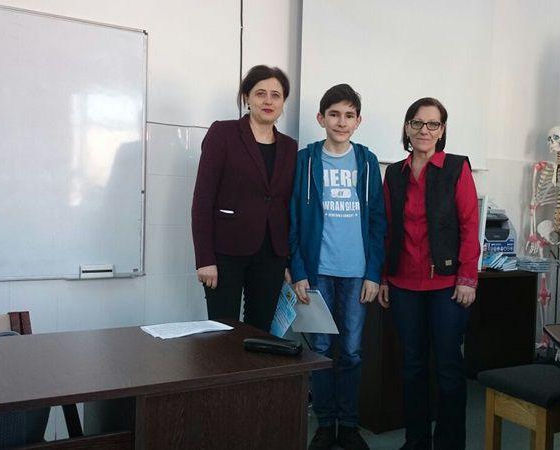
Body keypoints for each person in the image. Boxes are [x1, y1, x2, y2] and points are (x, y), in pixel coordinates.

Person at [378, 97, 480, 450]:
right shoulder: (394, 173)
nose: (424, 130)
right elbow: (387, 229)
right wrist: (383, 276)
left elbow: (469, 225)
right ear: (407, 128)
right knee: (412, 367)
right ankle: (416, 441)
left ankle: (449, 444)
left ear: (442, 130)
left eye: (433, 124)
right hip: (403, 283)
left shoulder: (456, 168)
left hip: (447, 285)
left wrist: (467, 278)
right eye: (417, 123)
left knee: (449, 368)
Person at [289, 84, 386, 450]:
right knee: (319, 349)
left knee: (351, 351)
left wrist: (374, 273)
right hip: (317, 273)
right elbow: (292, 220)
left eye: (348, 115)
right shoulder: (305, 160)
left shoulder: (367, 161)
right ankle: (324, 424)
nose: (341, 122)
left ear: (358, 121)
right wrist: (298, 271)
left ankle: (348, 424)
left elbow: (378, 221)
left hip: (357, 274)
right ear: (321, 118)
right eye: (334, 114)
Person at [191, 65, 297, 332]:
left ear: (283, 102)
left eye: (276, 95)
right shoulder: (223, 133)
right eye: (260, 93)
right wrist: (204, 258)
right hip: (225, 252)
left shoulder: (289, 147)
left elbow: (286, 205)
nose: (268, 101)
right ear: (247, 97)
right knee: (223, 331)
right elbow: (202, 199)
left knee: (260, 332)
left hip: (271, 255)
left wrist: (286, 260)